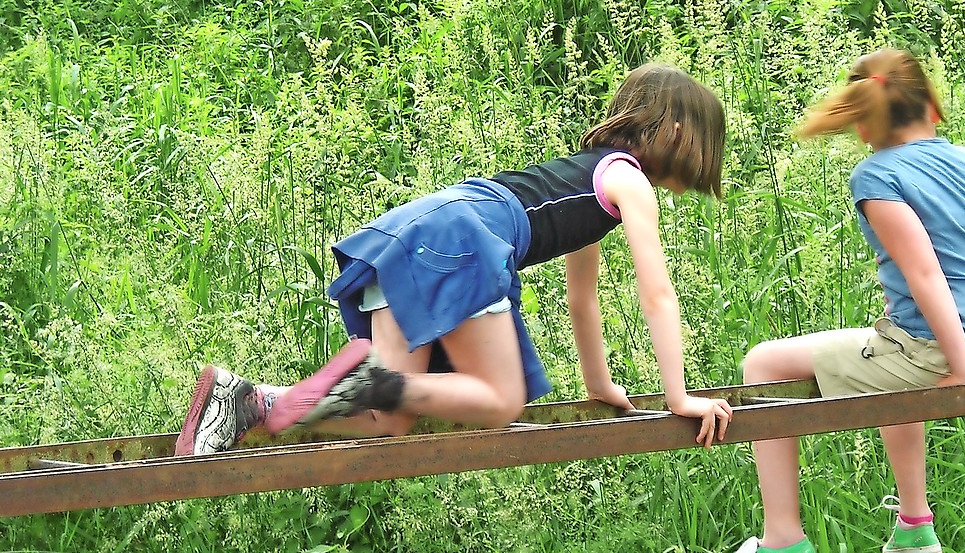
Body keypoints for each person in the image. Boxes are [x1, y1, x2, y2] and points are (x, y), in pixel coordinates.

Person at [175, 62, 734, 456]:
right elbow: (657, 293)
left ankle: (246, 402)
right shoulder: (627, 181)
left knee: (388, 422)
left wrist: (599, 388)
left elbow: (580, 299)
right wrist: (678, 396)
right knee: (500, 399)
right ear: (679, 132)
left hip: (420, 230)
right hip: (464, 237)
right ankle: (372, 381)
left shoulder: (593, 178)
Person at [707, 47, 965, 553]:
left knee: (761, 363)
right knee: (883, 354)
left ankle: (782, 539)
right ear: (931, 105)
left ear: (864, 125)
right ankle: (914, 523)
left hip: (940, 354)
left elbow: (926, 275)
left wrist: (960, 368)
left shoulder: (876, 177)